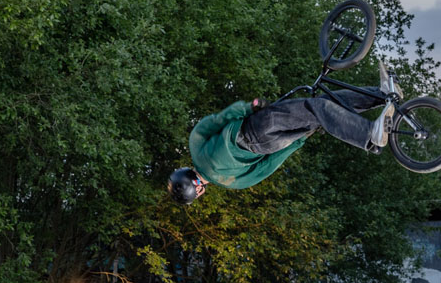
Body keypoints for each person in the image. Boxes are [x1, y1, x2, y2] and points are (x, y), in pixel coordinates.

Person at [168, 73, 395, 205]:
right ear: (184, 171)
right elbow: (219, 120)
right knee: (319, 106)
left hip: (269, 145)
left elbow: (268, 166)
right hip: (256, 126)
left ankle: (380, 98)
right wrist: (250, 107)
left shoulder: (232, 183)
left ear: (198, 192)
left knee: (322, 111)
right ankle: (369, 132)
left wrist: (298, 140)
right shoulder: (196, 147)